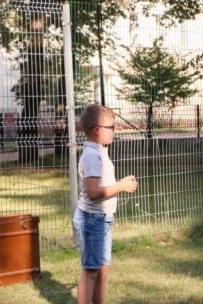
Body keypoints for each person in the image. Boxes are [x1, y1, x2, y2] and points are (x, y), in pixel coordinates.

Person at [72, 104, 139, 303]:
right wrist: (121, 186)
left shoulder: (99, 151)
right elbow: (93, 193)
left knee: (102, 269)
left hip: (102, 219)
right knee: (91, 271)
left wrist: (119, 184)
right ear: (97, 130)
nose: (114, 131)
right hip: (93, 219)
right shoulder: (93, 155)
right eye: (111, 127)